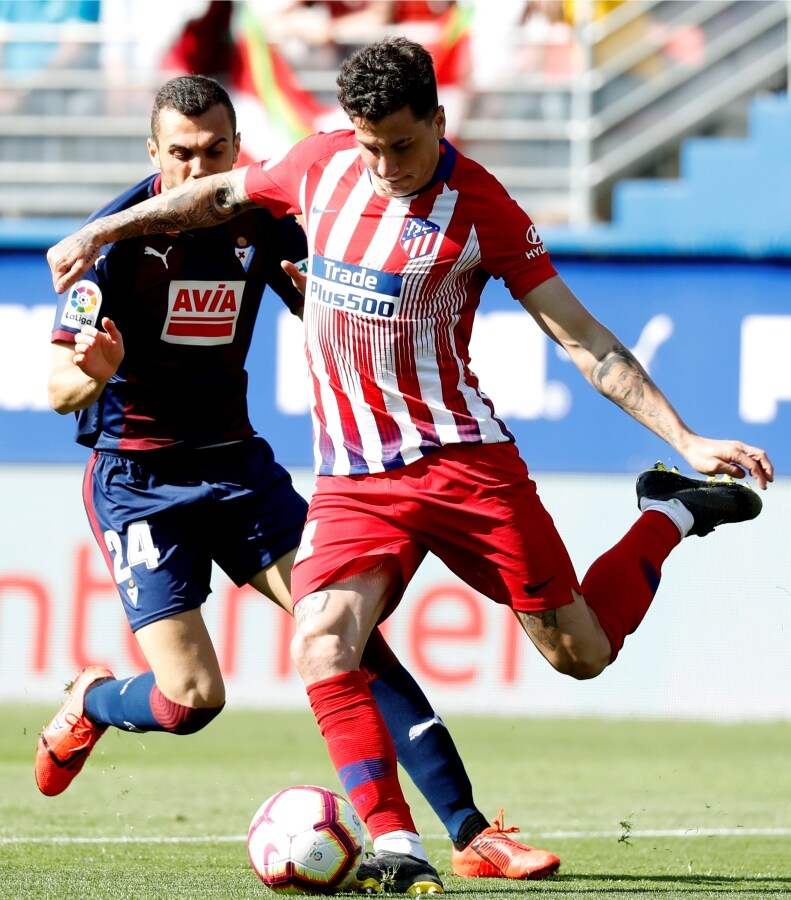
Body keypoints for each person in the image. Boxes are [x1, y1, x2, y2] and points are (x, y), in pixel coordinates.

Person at [46, 40, 773, 895]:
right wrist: (99, 228)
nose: (384, 165)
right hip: (353, 478)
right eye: (368, 145)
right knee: (323, 645)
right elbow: (213, 197)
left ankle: (669, 510)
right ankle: (402, 843)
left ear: (437, 119)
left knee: (580, 652)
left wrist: (683, 439)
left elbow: (584, 341)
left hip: (465, 463)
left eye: (402, 144)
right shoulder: (318, 166)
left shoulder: (484, 208)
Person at [39, 73, 562, 886]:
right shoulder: (113, 243)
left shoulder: (262, 222)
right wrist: (95, 372)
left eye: (216, 150)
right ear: (152, 153)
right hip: (138, 479)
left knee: (349, 641)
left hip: (239, 467)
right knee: (189, 701)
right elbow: (56, 388)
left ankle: (467, 831)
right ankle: (92, 701)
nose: (198, 166)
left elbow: (329, 303)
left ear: (237, 150)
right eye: (180, 154)